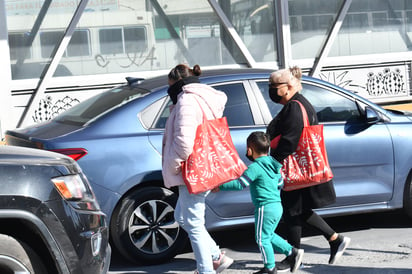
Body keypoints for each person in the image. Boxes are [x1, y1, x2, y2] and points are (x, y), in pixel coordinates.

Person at [266, 66, 351, 272]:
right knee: (296, 210)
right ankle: (333, 239)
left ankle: (294, 255)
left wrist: (272, 163)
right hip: (301, 166)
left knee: (292, 211)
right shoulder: (297, 104)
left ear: (287, 87)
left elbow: (290, 140)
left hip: (294, 166)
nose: (270, 90)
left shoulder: (295, 107)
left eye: (273, 87)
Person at [162, 63, 233, 274]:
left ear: (178, 83)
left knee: (192, 223)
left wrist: (174, 166)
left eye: (170, 87)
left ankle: (206, 270)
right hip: (206, 164)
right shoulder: (206, 97)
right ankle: (216, 257)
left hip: (192, 169)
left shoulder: (187, 100)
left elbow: (184, 142)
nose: (169, 93)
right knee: (181, 217)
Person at [216, 131, 304, 274]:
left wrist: (219, 186)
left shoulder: (255, 167)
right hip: (277, 206)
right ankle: (292, 252)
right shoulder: (274, 166)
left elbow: (240, 184)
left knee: (261, 239)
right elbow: (280, 183)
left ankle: (269, 268)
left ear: (249, 149)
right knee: (268, 235)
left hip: (265, 207)